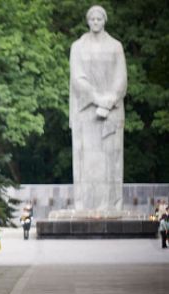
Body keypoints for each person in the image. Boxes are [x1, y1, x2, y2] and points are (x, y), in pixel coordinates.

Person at [69, 5, 127, 213]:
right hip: (86, 112)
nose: (95, 22)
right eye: (92, 19)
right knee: (85, 160)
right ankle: (84, 206)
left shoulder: (115, 46)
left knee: (111, 161)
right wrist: (98, 99)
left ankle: (111, 205)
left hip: (111, 111)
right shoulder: (78, 46)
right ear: (87, 21)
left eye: (99, 19)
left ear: (104, 21)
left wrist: (109, 101)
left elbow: (121, 79)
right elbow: (77, 78)